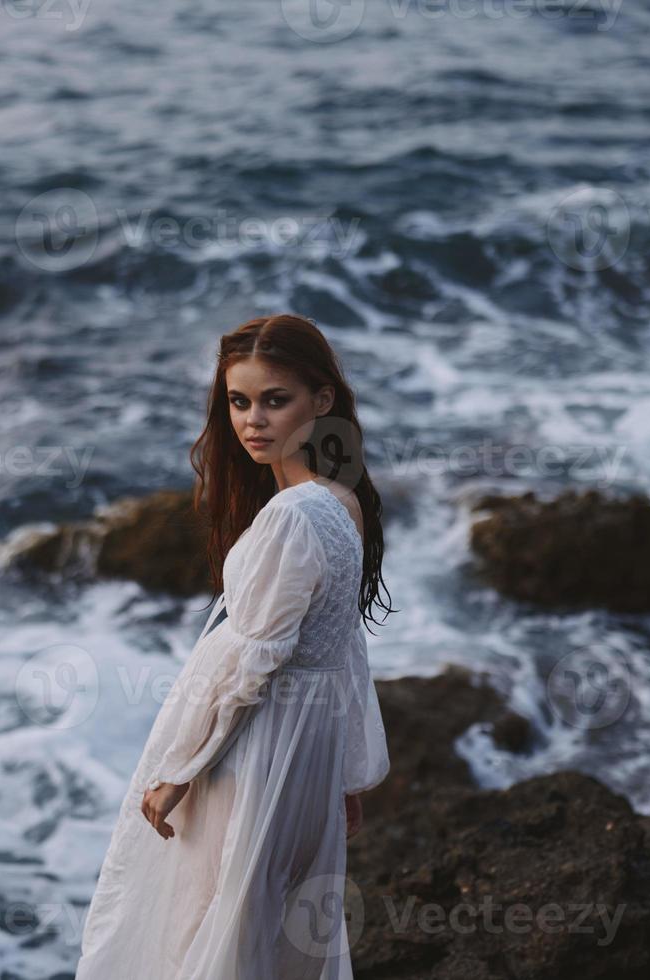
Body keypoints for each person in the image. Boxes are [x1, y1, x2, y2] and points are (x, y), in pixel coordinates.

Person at [75, 313, 396, 979]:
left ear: (323, 399)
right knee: (269, 933)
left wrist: (179, 771)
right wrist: (345, 773)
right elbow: (342, 647)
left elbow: (253, 661)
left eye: (275, 400)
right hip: (306, 753)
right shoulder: (342, 501)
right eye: (238, 401)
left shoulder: (290, 516)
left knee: (211, 928)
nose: (252, 421)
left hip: (256, 755)